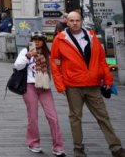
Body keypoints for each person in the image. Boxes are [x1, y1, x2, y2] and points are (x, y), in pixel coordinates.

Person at [50, 11, 125, 157]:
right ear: (67, 22)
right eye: (71, 20)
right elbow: (55, 64)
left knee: (103, 116)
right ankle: (78, 149)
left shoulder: (92, 37)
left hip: (93, 84)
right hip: (73, 85)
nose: (75, 23)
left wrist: (108, 79)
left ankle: (116, 148)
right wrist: (60, 85)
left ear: (82, 21)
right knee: (75, 118)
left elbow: (102, 60)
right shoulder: (60, 39)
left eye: (77, 20)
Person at [14, 31, 65, 155]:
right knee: (33, 117)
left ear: (44, 41)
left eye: (40, 40)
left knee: (53, 117)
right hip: (29, 86)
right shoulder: (25, 51)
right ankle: (33, 143)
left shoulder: (48, 54)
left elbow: (57, 67)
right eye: (34, 39)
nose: (37, 42)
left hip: (44, 86)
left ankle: (58, 146)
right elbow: (17, 66)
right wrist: (28, 56)